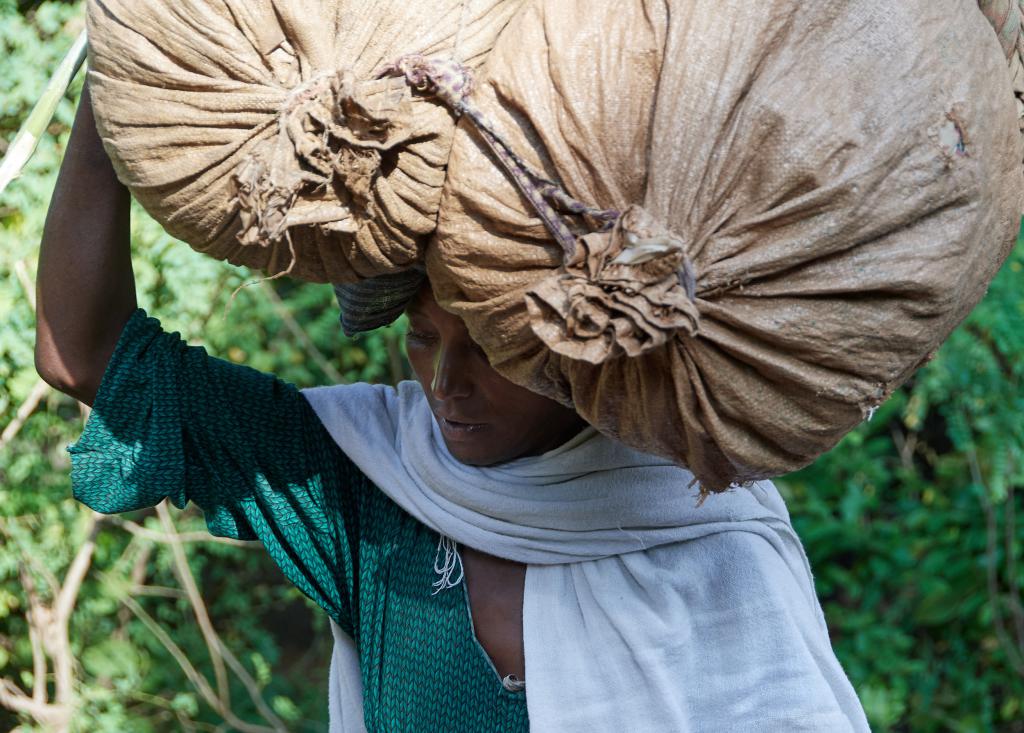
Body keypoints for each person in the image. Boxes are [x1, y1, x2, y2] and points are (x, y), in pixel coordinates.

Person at [36, 83, 871, 732]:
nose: (444, 382)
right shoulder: (370, 485)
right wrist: (118, 82)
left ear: (574, 354)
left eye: (493, 348)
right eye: (424, 337)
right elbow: (85, 355)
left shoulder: (709, 542)